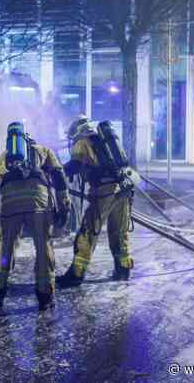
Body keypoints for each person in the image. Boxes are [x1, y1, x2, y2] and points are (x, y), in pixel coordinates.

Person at [0, 121, 70, 312]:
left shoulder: (5, 158)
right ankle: (45, 295)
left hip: (10, 205)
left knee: (5, 248)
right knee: (43, 246)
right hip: (38, 205)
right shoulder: (43, 151)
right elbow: (60, 180)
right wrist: (64, 209)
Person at [56, 116, 134, 286]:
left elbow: (75, 165)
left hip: (104, 191)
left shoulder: (82, 142)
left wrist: (58, 173)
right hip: (123, 188)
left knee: (88, 232)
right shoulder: (105, 140)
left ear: (76, 130)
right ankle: (123, 269)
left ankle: (76, 274)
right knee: (119, 232)